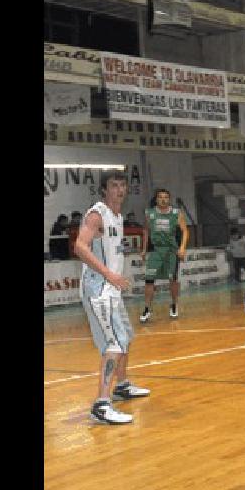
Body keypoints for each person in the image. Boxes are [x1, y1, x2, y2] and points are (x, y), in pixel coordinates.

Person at [74, 171, 150, 424]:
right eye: (113, 185)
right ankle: (101, 404)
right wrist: (109, 274)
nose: (119, 189)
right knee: (114, 344)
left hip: (111, 288)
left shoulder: (117, 216)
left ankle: (122, 385)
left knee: (125, 338)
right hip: (98, 288)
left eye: (122, 185)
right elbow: (80, 247)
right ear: (104, 190)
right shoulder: (98, 214)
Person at [139, 188, 189, 322]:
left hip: (171, 251)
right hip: (156, 250)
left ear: (169, 199)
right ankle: (147, 308)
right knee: (149, 280)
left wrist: (182, 247)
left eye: (166, 197)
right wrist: (144, 249)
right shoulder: (150, 213)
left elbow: (185, 231)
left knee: (172, 280)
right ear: (156, 199)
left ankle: (174, 304)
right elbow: (145, 231)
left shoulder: (176, 213)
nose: (163, 199)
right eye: (160, 197)